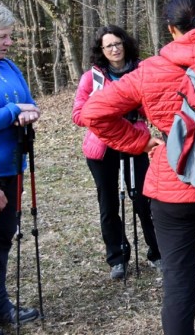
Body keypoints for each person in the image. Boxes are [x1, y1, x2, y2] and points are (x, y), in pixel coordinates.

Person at [83, 0, 195, 335]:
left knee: (179, 280)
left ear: (171, 29)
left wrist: (143, 142)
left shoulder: (150, 71)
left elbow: (94, 113)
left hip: (174, 187)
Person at [72, 25, 160, 280]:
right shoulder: (92, 78)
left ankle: (157, 252)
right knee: (109, 203)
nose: (114, 49)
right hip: (102, 147)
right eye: (108, 45)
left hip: (138, 142)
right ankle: (117, 257)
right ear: (101, 50)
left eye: (118, 43)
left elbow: (155, 105)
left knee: (145, 200)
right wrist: (109, 112)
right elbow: (78, 114)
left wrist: (135, 111)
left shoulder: (142, 70)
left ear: (125, 43)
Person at [0, 2, 41, 330]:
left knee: (1, 241)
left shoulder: (9, 66)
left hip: (13, 169)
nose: (9, 42)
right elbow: (13, 108)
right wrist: (13, 112)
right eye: (3, 37)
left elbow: (29, 101)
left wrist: (29, 111)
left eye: (10, 37)